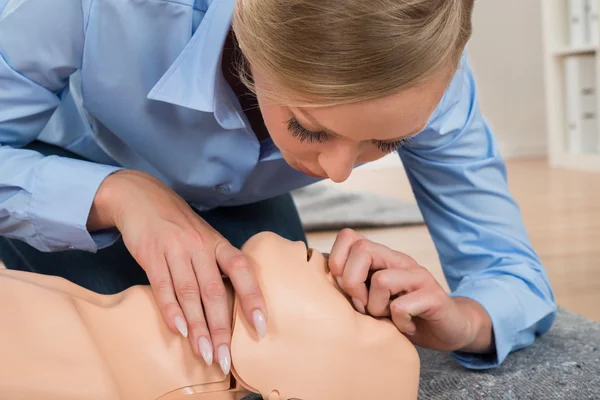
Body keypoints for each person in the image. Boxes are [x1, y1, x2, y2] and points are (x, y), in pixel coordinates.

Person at [0, 0, 556, 377]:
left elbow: (513, 275)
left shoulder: (438, 88)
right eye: (308, 128)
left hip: (235, 201)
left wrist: (463, 319)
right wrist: (116, 194)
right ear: (250, 38)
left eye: (386, 142)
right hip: (58, 162)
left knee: (276, 329)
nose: (336, 174)